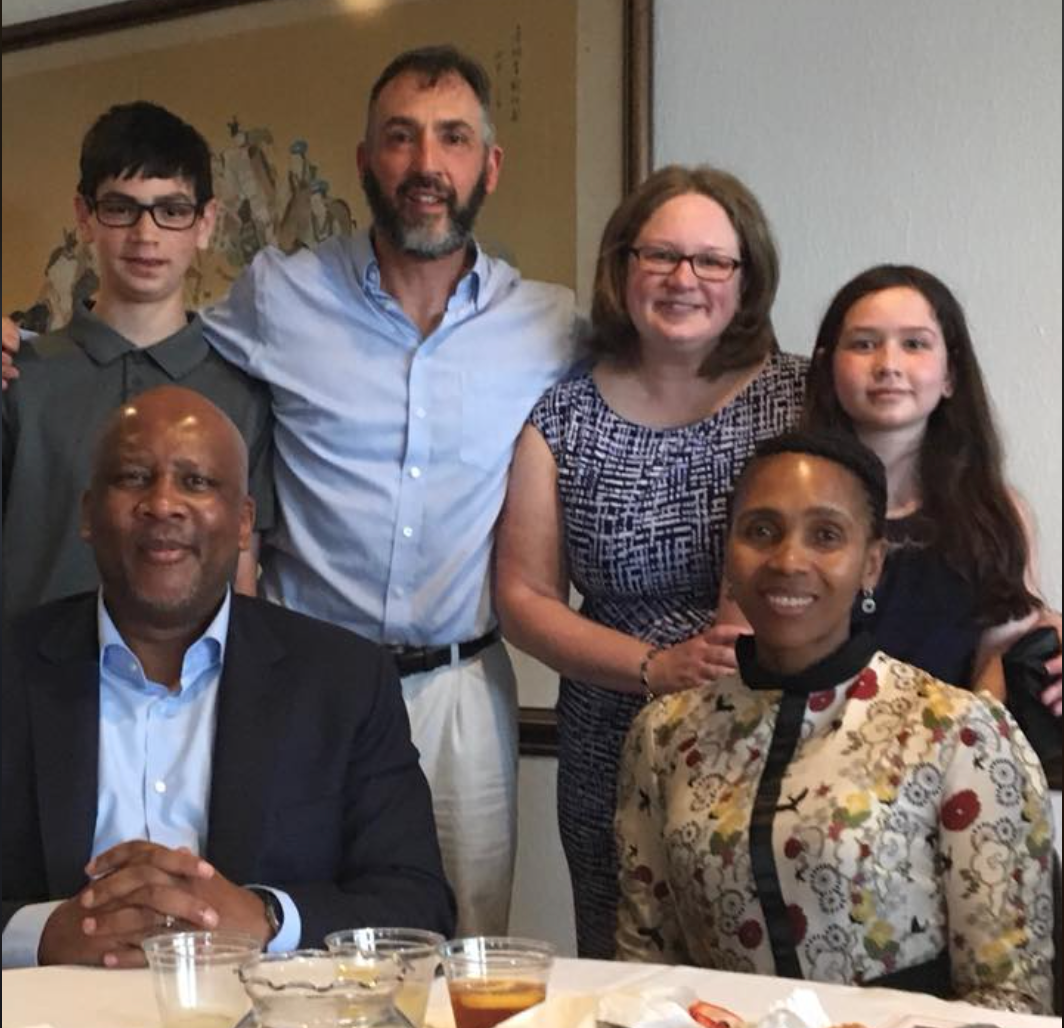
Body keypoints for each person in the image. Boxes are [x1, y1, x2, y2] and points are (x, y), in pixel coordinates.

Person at [2, 46, 576, 935]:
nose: (426, 164)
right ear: (363, 159)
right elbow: (147, 331)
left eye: (453, 138)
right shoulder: (278, 296)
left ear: (488, 165)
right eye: (400, 137)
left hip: (458, 681)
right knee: (212, 933)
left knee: (445, 941)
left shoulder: (549, 323)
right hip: (283, 684)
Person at [1, 386, 454, 969]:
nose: (162, 504)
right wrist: (39, 934)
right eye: (135, 477)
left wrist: (264, 918)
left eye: (196, 482)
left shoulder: (342, 681)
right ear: (88, 514)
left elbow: (418, 906)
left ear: (243, 523)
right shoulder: (11, 669)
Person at [616, 430, 1054, 1013]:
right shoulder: (665, 734)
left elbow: (1014, 995)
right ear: (728, 553)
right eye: (761, 531)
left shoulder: (960, 735)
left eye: (826, 535)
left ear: (871, 564)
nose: (789, 560)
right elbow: (642, 965)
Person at [495, 165, 806, 957]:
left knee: (765, 966)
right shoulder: (563, 413)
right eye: (659, 255)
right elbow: (524, 597)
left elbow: (918, 497)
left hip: (772, 730)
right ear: (623, 267)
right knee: (621, 968)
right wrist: (656, 667)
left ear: (746, 279)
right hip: (607, 733)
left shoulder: (800, 400)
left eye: (711, 261)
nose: (683, 278)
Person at [1, 101, 273, 621]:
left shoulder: (243, 394)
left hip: (193, 693)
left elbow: (242, 577)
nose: (145, 235)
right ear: (85, 217)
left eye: (171, 211)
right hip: (31, 685)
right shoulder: (20, 377)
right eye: (122, 208)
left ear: (205, 223)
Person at [801, 265, 1061, 712]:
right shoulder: (784, 502)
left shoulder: (996, 511)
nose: (888, 365)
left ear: (950, 375)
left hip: (951, 760)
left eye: (915, 344)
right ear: (828, 368)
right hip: (808, 759)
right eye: (864, 344)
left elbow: (1002, 657)